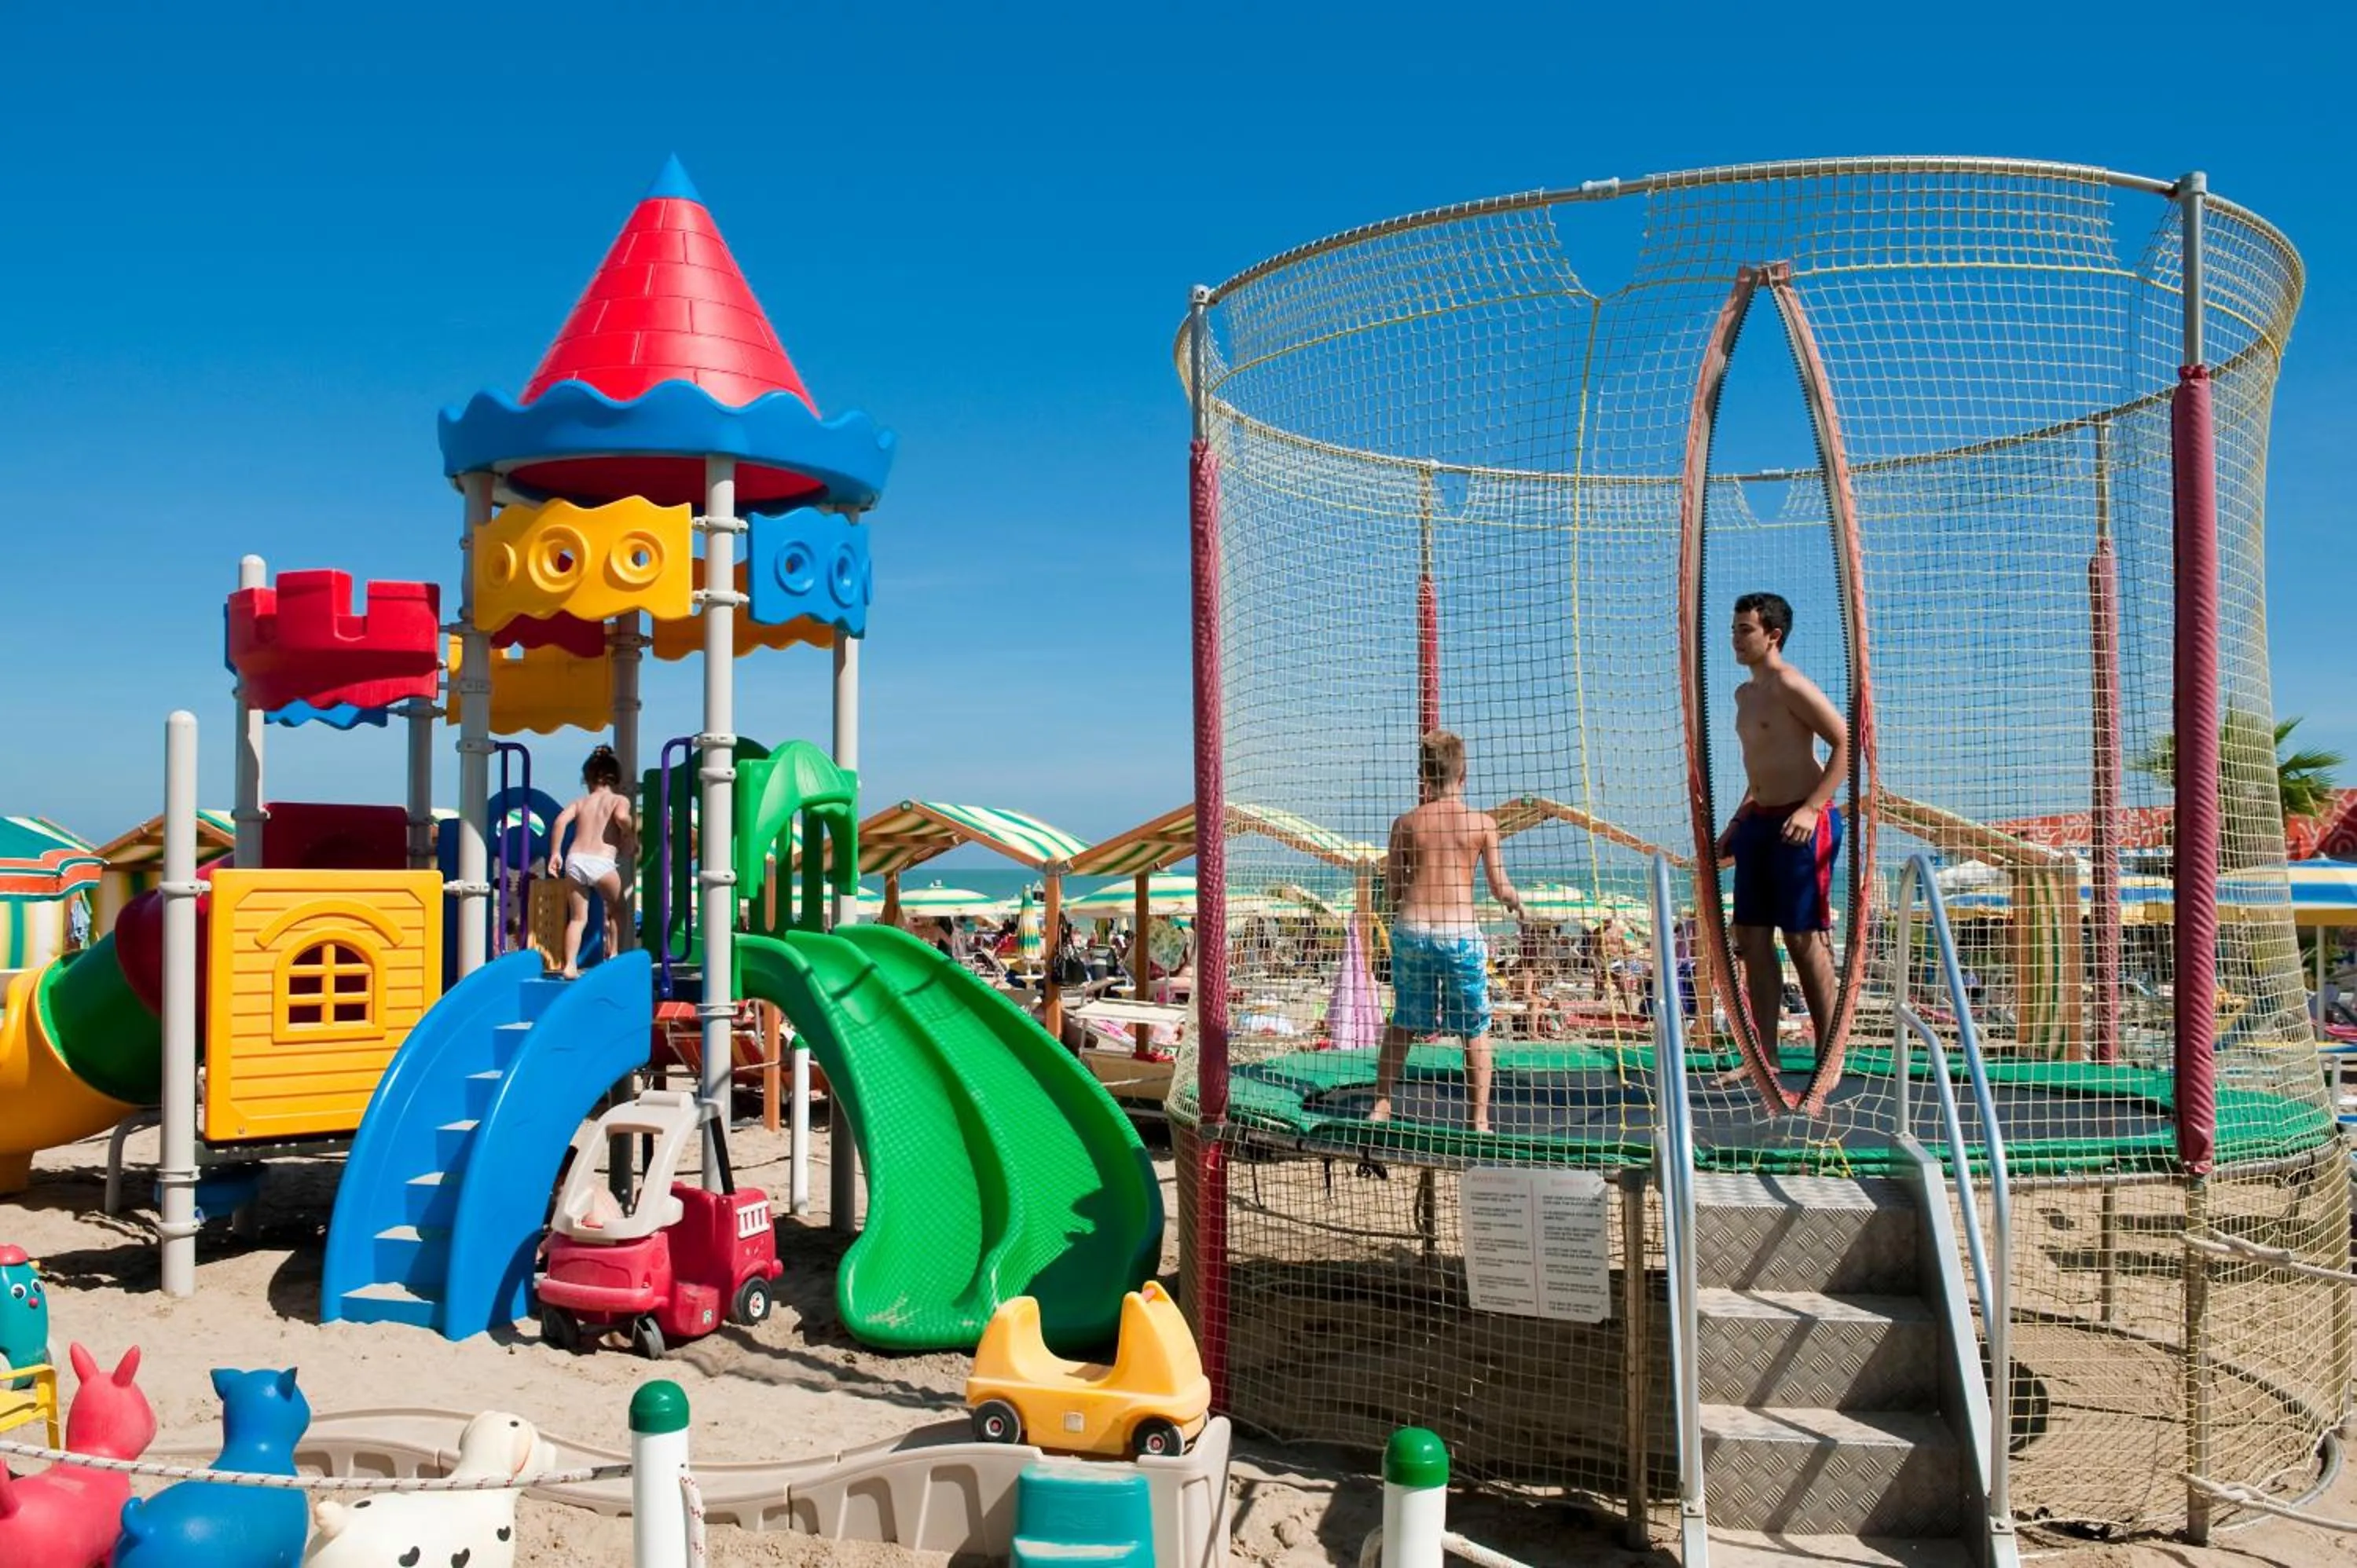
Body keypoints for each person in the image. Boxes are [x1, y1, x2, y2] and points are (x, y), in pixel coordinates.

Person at [1714, 591, 1851, 1116]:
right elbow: (1760, 767)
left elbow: (1846, 743)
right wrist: (1737, 822)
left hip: (1803, 821)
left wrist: (1812, 809)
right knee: (1750, 938)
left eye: (1744, 629)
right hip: (1760, 819)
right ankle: (1764, 1056)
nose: (1735, 638)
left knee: (1803, 939)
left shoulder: (1791, 684)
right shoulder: (1743, 695)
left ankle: (1829, 1054)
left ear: (1772, 635)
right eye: (1734, 628)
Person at [1372, 730, 1527, 1132]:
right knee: (1474, 1029)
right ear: (1464, 774)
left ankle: (1381, 1106)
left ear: (1423, 776)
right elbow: (1499, 887)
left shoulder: (1405, 823)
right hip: (1458, 934)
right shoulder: (1482, 824)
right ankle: (1479, 1119)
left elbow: (1392, 890)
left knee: (1404, 1022)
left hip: (1412, 930)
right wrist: (1516, 902)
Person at [547, 745, 636, 980]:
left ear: (587, 780)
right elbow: (622, 818)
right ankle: (614, 955)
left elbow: (560, 822)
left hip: (575, 860)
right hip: (601, 862)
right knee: (618, 909)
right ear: (616, 779)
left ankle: (569, 965)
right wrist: (629, 833)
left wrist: (555, 853)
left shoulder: (580, 802)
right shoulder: (619, 800)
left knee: (578, 918)